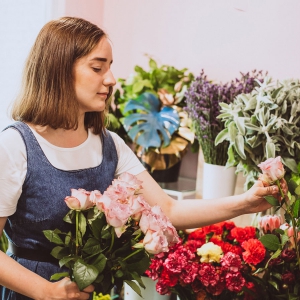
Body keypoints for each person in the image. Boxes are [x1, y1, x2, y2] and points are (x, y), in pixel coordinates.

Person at [0, 16, 285, 300]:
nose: (110, 79)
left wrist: (245, 202)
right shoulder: (16, 145)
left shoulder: (109, 145)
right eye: (97, 67)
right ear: (59, 70)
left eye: (109, 68)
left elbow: (169, 210)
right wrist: (46, 291)